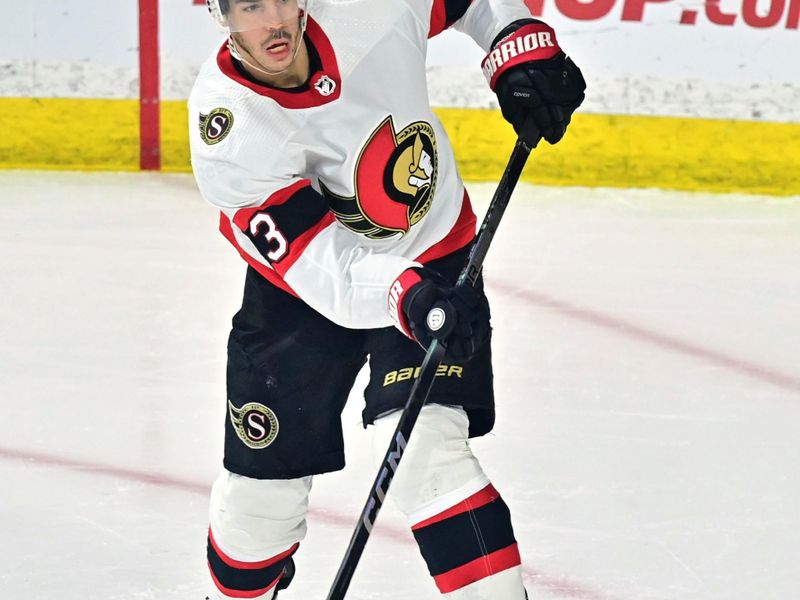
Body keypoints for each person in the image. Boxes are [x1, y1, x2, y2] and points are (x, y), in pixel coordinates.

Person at [189, 0, 585, 598]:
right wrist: (409, 297)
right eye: (249, 5)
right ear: (220, 14)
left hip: (433, 253)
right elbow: (328, 271)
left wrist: (515, 40)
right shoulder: (231, 128)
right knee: (258, 506)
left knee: (426, 451)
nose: (271, 21)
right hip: (299, 294)